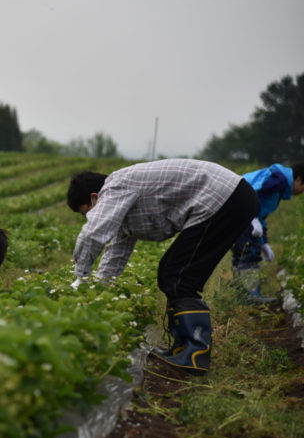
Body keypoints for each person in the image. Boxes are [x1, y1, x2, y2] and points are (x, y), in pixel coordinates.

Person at [66, 159, 258, 375]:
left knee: (178, 276)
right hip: (228, 198)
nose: (90, 217)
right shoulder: (121, 202)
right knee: (172, 272)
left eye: (87, 212)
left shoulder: (114, 188)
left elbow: (92, 233)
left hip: (223, 198)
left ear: (95, 197)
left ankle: (194, 354)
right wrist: (97, 292)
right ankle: (183, 349)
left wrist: (81, 277)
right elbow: (116, 254)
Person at [231, 162, 304, 303]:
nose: (301, 192)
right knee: (248, 252)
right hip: (241, 212)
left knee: (243, 253)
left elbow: (261, 216)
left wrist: (264, 243)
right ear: (299, 179)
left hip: (242, 213)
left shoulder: (279, 184)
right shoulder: (279, 181)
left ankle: (244, 294)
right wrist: (251, 216)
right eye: (303, 187)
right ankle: (249, 296)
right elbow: (252, 192)